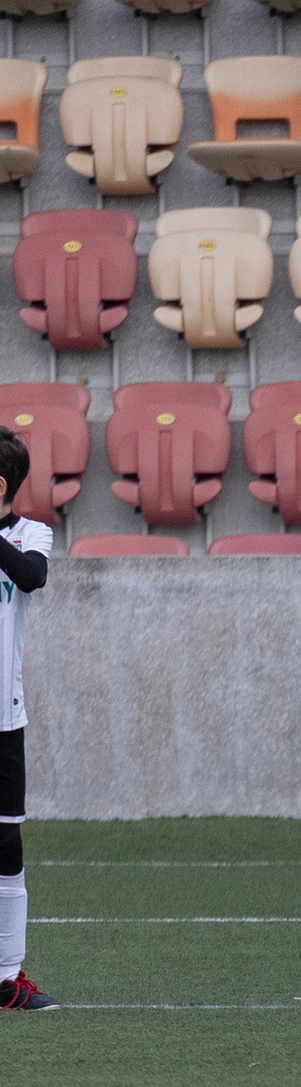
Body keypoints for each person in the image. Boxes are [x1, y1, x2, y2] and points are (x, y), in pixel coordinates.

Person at [0, 429, 57, 1014]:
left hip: (3, 722)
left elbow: (32, 577)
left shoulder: (29, 533)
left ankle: (5, 975)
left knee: (6, 843)